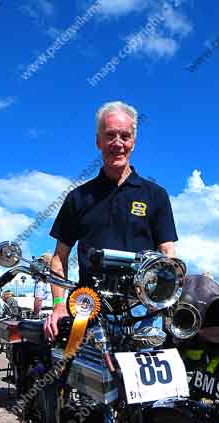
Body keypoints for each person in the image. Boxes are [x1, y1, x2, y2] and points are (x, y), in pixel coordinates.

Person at [44, 100, 178, 340]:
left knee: (139, 375)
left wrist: (162, 296)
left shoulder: (156, 195)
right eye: (110, 135)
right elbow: (59, 257)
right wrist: (58, 305)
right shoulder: (78, 197)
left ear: (134, 142)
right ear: (98, 141)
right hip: (86, 306)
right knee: (71, 369)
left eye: (125, 136)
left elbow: (167, 253)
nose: (118, 143)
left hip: (143, 313)